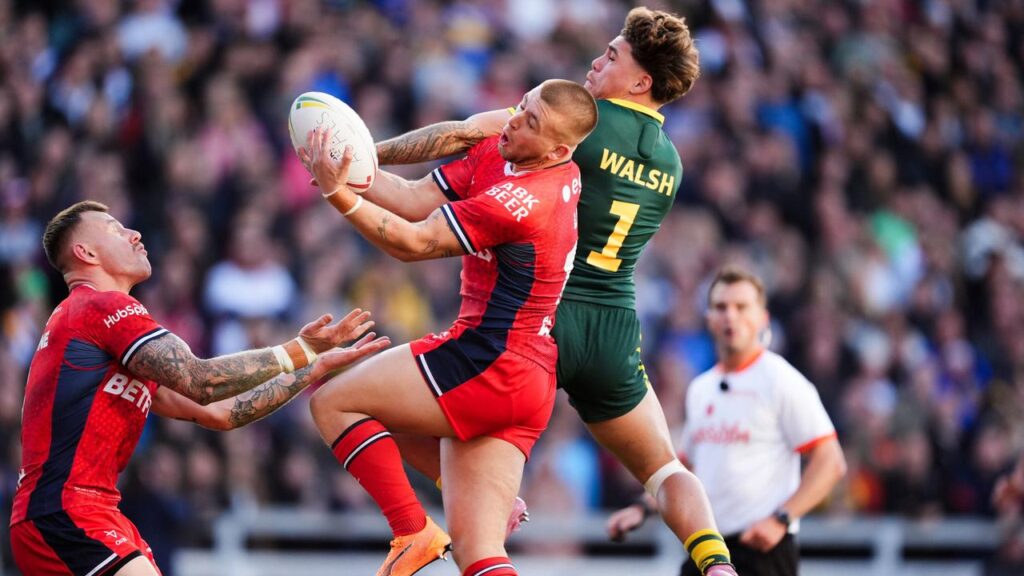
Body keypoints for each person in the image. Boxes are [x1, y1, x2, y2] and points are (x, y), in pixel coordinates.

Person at [371, 7, 737, 575]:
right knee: (665, 470)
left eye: (613, 55)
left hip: (534, 323)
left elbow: (467, 132)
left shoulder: (573, 127)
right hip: (612, 332)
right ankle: (716, 563)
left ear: (641, 81)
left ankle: (471, 502)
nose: (597, 60)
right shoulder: (671, 162)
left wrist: (367, 153)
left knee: (384, 405)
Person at [300, 79, 598, 576]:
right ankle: (461, 505)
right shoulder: (511, 150)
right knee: (479, 555)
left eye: (531, 123)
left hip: (487, 359)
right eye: (521, 107)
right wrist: (348, 169)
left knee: (335, 402)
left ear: (558, 150)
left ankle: (411, 531)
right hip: (526, 378)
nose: (515, 122)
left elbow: (413, 242)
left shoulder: (524, 201)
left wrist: (337, 194)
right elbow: (416, 198)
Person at [9, 201, 390, 576]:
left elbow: (221, 413)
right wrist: (298, 349)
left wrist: (312, 368)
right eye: (113, 229)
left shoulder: (94, 330)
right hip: (68, 511)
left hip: (76, 512)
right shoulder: (100, 307)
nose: (134, 233)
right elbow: (202, 380)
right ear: (86, 252)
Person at [607, 268, 847, 576]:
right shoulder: (701, 388)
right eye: (721, 307)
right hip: (708, 546)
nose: (730, 316)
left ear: (763, 318)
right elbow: (684, 466)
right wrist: (642, 507)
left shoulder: (781, 380)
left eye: (741, 307)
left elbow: (831, 461)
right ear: (708, 317)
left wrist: (781, 520)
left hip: (764, 550)